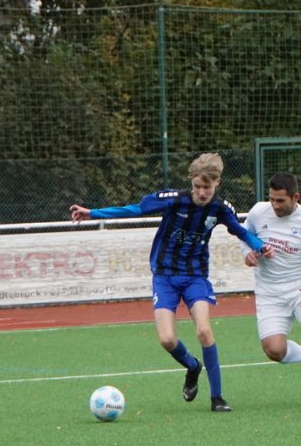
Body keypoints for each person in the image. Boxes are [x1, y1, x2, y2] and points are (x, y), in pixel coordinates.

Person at [70, 153, 274, 412]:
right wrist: (92, 213)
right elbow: (135, 209)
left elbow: (241, 231)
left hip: (195, 276)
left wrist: (260, 246)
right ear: (191, 182)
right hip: (165, 276)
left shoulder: (221, 209)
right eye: (197, 186)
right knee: (167, 339)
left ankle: (217, 398)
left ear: (217, 183)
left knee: (204, 331)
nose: (202, 192)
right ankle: (192, 366)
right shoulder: (173, 200)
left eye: (207, 187)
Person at [242, 172, 301, 403]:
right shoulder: (258, 212)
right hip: (269, 292)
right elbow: (243, 234)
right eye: (271, 199)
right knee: (274, 350)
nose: (274, 205)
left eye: (280, 200)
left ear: (295, 197)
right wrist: (246, 252)